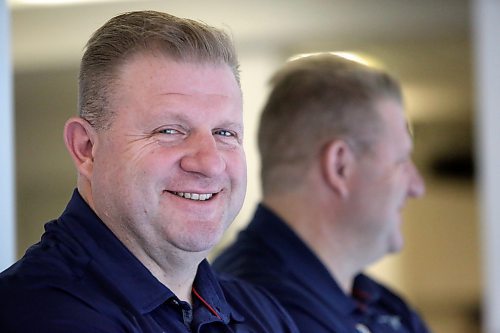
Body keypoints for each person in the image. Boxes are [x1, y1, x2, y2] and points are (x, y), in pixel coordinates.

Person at [0, 10, 299, 333]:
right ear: (86, 148)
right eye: (169, 131)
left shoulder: (260, 314)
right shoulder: (40, 314)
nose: (210, 162)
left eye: (224, 133)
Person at [213, 54, 431, 333]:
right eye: (401, 162)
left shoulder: (383, 305)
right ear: (340, 166)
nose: (417, 187)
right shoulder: (248, 313)